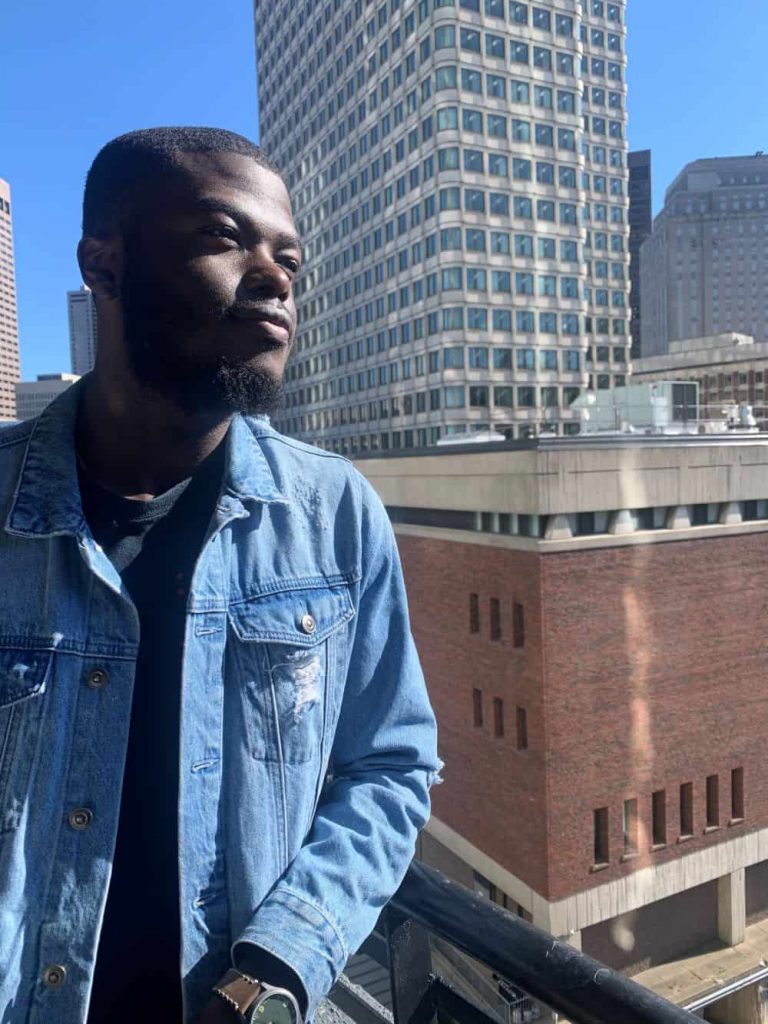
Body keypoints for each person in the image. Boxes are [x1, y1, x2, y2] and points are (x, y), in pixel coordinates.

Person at [0, 127, 441, 1024]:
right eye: (223, 237)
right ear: (105, 264)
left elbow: (391, 764)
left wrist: (280, 962)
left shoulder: (334, 515)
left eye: (289, 258)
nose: (276, 278)